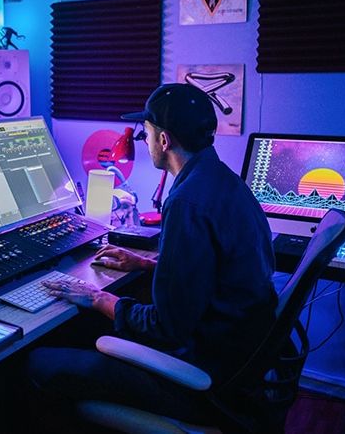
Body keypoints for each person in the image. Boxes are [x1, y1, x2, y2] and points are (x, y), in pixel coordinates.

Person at [26, 83, 278, 430]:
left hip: (203, 378)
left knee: (39, 362)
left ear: (164, 140)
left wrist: (99, 298)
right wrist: (147, 264)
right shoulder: (222, 181)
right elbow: (213, 270)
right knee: (84, 332)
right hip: (237, 360)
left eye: (145, 133)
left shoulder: (187, 202)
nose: (143, 141)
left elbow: (165, 326)